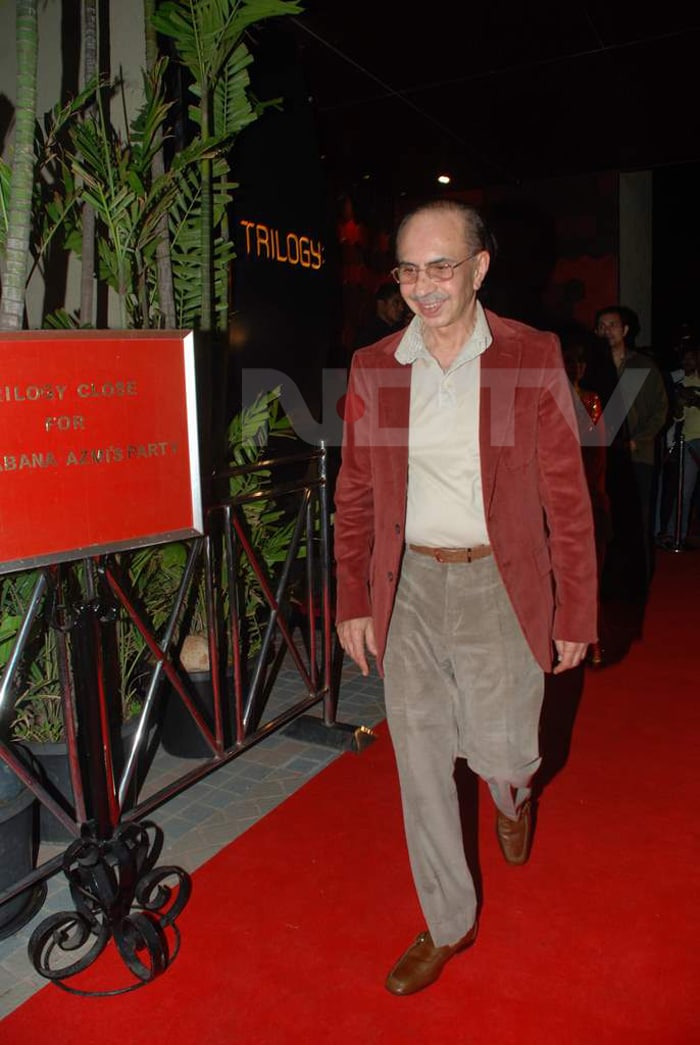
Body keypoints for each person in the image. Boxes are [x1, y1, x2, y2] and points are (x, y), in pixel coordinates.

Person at [333, 199, 598, 997]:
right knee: (418, 760)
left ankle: (512, 798)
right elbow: (355, 493)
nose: (424, 286)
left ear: (479, 268)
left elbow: (567, 496)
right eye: (409, 270)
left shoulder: (528, 354)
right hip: (409, 584)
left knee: (506, 750)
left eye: (440, 266)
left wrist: (575, 610)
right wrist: (352, 595)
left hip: (498, 581)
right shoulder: (376, 366)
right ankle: (449, 920)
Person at [593, 305, 669, 602]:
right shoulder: (591, 369)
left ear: (625, 330)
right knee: (606, 523)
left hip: (637, 457)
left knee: (638, 520)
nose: (606, 330)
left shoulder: (642, 367)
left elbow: (660, 410)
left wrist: (639, 440)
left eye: (612, 325)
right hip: (601, 459)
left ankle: (640, 585)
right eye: (601, 325)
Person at [560, 335, 611, 666]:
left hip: (586, 496)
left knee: (587, 571)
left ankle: (590, 640)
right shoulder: (545, 400)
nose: (576, 368)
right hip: (554, 499)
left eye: (580, 362)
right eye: (570, 361)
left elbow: (597, 455)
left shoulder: (591, 400)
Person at [658, 345, 700, 549]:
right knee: (684, 492)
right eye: (685, 359)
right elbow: (677, 417)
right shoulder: (682, 382)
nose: (687, 363)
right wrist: (680, 404)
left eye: (691, 359)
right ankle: (676, 535)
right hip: (690, 439)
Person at [352, 280, 407, 349]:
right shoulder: (369, 333)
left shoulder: (400, 329)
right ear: (382, 304)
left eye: (403, 303)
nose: (401, 308)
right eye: (396, 302)